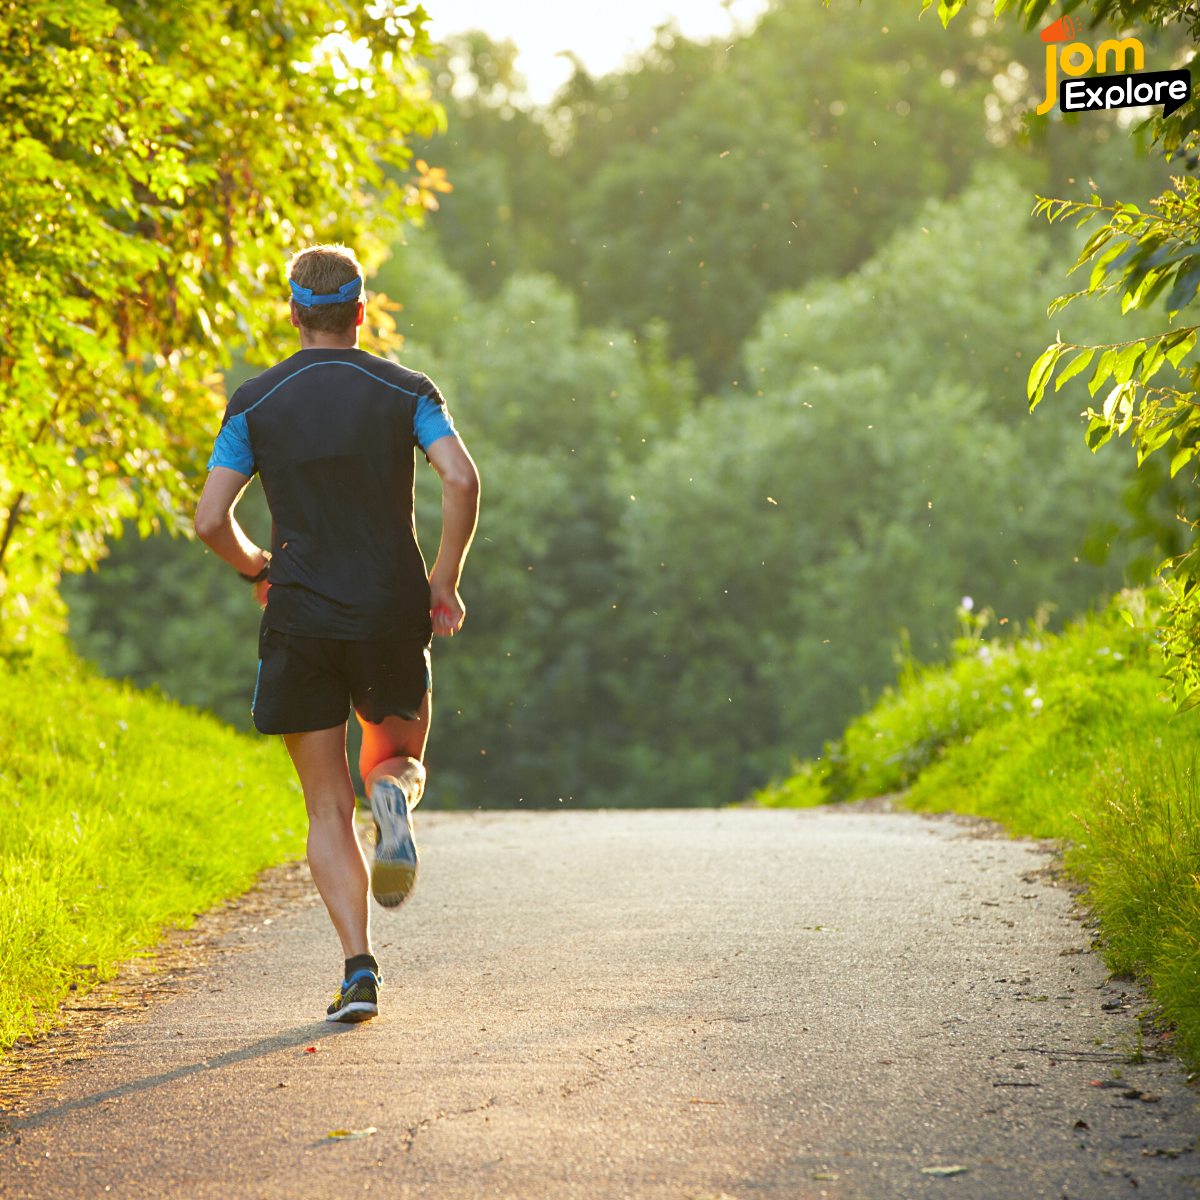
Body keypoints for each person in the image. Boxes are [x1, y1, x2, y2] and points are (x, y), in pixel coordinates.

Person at [194, 244, 479, 1023]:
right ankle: (393, 797)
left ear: (294, 312)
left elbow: (210, 519)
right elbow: (460, 477)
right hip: (390, 610)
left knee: (325, 807)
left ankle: (359, 970)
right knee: (396, 758)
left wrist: (258, 569)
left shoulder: (256, 402)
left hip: (301, 620)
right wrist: (444, 581)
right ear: (360, 311)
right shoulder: (406, 390)